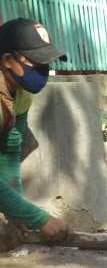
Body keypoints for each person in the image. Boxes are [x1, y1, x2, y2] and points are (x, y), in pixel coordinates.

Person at [0, 18, 69, 243]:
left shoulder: (20, 95)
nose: (43, 70)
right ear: (8, 60)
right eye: (36, 63)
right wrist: (39, 219)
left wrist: (17, 212)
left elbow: (9, 155)